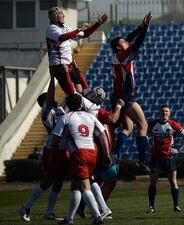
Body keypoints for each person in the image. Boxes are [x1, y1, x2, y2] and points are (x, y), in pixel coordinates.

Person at [51, 94, 111, 225]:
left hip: (79, 153)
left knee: (84, 187)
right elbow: (103, 135)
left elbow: (55, 139)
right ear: (81, 105)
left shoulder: (66, 117)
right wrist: (107, 154)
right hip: (92, 152)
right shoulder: (91, 116)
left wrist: (53, 155)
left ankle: (97, 216)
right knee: (75, 186)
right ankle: (69, 218)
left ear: (68, 105)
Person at [20, 75, 69, 222]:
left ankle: (49, 212)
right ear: (45, 102)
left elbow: (69, 96)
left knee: (59, 181)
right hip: (52, 149)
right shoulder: (46, 112)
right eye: (49, 97)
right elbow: (52, 96)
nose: (53, 98)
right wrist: (54, 76)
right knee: (48, 181)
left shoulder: (58, 109)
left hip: (62, 148)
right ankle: (26, 207)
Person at [109, 12, 152, 171]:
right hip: (125, 97)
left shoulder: (118, 55)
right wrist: (145, 28)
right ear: (119, 47)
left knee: (128, 128)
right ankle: (142, 159)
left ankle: (115, 153)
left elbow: (129, 38)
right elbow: (136, 43)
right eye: (123, 42)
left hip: (118, 96)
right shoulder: (123, 56)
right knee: (143, 125)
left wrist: (141, 26)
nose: (126, 41)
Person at [76, 87, 125, 219]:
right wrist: (119, 106)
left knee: (95, 180)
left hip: (93, 149)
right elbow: (112, 119)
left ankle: (81, 207)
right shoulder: (96, 110)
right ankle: (99, 209)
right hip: (100, 151)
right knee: (110, 180)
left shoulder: (85, 109)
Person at [46, 7, 107, 95]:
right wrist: (79, 29)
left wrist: (98, 24)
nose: (64, 15)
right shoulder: (51, 28)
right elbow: (62, 38)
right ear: (55, 17)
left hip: (70, 64)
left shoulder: (66, 28)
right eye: (61, 14)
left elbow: (85, 34)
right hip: (59, 66)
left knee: (80, 91)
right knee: (72, 94)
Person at [147, 104, 184, 213]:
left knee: (173, 182)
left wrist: (178, 150)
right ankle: (151, 206)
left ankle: (176, 205)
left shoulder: (173, 125)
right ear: (159, 112)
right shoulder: (152, 125)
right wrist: (148, 147)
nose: (164, 113)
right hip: (156, 157)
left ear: (169, 113)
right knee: (153, 182)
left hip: (169, 157)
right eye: (162, 111)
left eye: (166, 111)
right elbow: (142, 134)